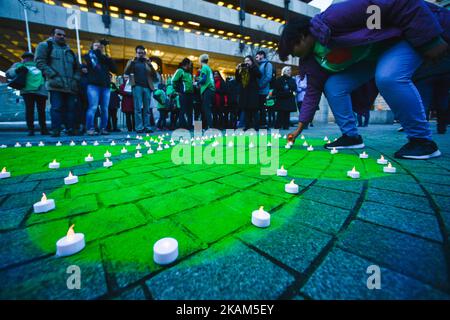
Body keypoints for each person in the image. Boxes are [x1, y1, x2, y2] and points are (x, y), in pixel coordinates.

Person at [279, 0, 449, 159]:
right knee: (334, 86)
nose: (292, 55)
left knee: (389, 76)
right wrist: (299, 129)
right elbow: (312, 92)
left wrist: (429, 38)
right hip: (371, 57)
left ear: (301, 36)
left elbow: (395, 4)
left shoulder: (333, 18)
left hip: (401, 36)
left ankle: (422, 141)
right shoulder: (312, 59)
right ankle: (351, 136)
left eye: (291, 50)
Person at [35, 28, 81, 137]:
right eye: (59, 34)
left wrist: (75, 79)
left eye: (64, 35)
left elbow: (78, 68)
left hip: (70, 86)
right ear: (52, 35)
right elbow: (39, 62)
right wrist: (53, 75)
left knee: (71, 108)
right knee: (57, 107)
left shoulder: (70, 51)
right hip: (56, 84)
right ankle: (56, 130)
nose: (62, 37)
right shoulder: (45, 46)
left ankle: (71, 129)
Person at [6, 52, 49, 136]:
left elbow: (9, 74)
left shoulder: (20, 65)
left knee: (30, 111)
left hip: (29, 91)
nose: (27, 59)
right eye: (26, 58)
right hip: (39, 91)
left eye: (28, 58)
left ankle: (32, 130)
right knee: (40, 111)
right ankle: (42, 130)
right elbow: (9, 74)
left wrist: (16, 69)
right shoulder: (37, 66)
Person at [82, 40, 117, 136]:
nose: (98, 47)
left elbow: (115, 70)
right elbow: (84, 66)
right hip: (93, 85)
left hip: (105, 86)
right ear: (92, 47)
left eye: (100, 46)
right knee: (93, 107)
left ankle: (103, 128)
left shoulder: (105, 58)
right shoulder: (87, 57)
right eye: (96, 45)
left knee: (105, 108)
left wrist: (109, 58)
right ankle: (90, 128)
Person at [124, 45, 158, 133]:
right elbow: (126, 72)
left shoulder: (147, 63)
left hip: (147, 87)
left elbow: (154, 75)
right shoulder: (132, 62)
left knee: (147, 109)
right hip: (137, 86)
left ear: (145, 53)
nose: (141, 54)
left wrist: (150, 65)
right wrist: (132, 61)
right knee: (138, 108)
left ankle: (147, 126)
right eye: (139, 53)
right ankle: (139, 127)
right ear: (136, 53)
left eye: (142, 53)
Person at [235, 55, 262, 130]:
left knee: (254, 110)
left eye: (248, 60)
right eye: (245, 61)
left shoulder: (254, 67)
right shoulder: (243, 69)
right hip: (245, 92)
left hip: (253, 92)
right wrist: (237, 70)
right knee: (246, 110)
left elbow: (259, 75)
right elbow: (238, 80)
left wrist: (250, 67)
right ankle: (247, 126)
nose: (246, 62)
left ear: (252, 61)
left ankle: (256, 126)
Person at [172, 58, 194, 129]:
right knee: (183, 110)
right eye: (190, 64)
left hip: (190, 94)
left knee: (190, 111)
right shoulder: (180, 71)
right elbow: (173, 81)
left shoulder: (189, 73)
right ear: (187, 64)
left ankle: (190, 126)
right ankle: (182, 126)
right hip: (183, 94)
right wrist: (178, 91)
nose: (191, 66)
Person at [255, 50, 275, 129]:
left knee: (263, 108)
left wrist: (260, 85)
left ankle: (263, 124)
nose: (256, 57)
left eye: (258, 56)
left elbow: (268, 77)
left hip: (264, 90)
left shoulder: (267, 64)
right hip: (258, 90)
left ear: (262, 55)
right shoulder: (258, 65)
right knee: (259, 107)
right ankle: (260, 123)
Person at [198, 54, 215, 130]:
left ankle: (210, 127)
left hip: (207, 89)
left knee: (206, 109)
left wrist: (197, 83)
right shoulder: (208, 68)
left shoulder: (204, 67)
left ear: (200, 60)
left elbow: (204, 79)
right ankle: (207, 126)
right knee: (206, 108)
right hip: (211, 90)